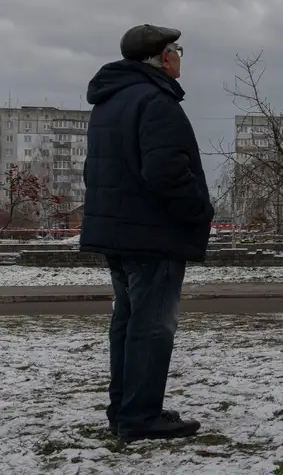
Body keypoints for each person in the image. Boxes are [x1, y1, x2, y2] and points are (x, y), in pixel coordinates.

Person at [81, 24, 212, 441]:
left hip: (119, 232)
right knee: (152, 327)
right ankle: (140, 418)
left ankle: (125, 410)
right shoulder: (157, 102)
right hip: (152, 235)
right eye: (178, 50)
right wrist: (199, 212)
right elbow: (166, 173)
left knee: (127, 322)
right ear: (161, 56)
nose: (180, 58)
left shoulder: (111, 101)